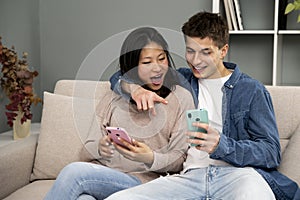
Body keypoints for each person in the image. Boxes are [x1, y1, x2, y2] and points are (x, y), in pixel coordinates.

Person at [107, 12, 300, 199]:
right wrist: (134, 90)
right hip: (189, 178)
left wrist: (221, 145)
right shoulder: (182, 79)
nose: (196, 61)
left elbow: (270, 152)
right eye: (190, 51)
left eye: (205, 52)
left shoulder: (251, 90)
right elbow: (119, 76)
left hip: (237, 176)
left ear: (223, 50)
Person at [44, 27, 195, 200]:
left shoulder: (181, 98)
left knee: (73, 172)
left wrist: (150, 157)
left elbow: (180, 158)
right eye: (147, 62)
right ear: (132, 66)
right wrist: (101, 148)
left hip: (143, 183)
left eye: (162, 59)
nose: (157, 68)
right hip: (102, 176)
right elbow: (87, 149)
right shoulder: (115, 95)